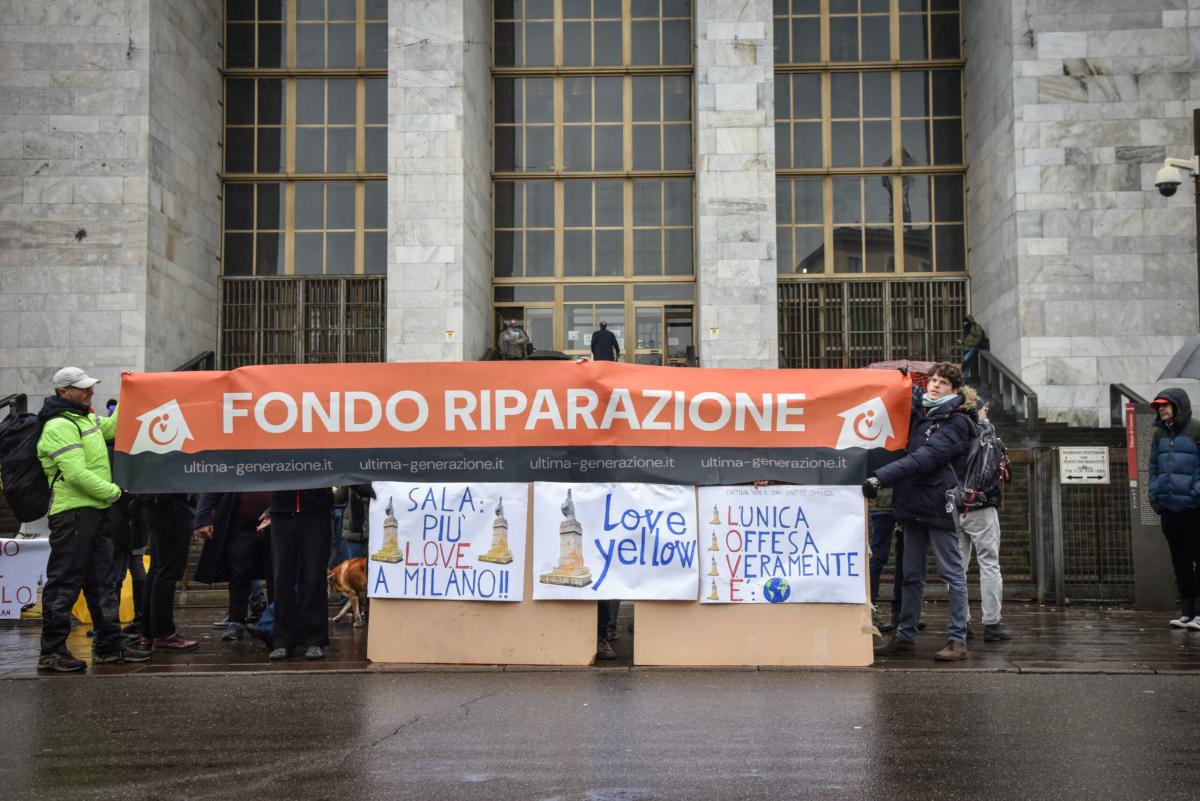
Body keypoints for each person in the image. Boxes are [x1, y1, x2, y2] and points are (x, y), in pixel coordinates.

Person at [36, 367, 152, 671]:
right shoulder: (59, 425)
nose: (90, 391)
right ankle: (52, 652)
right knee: (65, 581)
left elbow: (115, 427)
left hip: (94, 511)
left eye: (90, 386)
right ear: (63, 392)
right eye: (83, 387)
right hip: (73, 514)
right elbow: (74, 474)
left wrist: (130, 391)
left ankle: (109, 647)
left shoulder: (84, 418)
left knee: (102, 581)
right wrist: (114, 493)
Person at [863, 362, 972, 661]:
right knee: (911, 574)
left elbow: (925, 458)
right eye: (933, 380)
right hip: (912, 504)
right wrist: (896, 380)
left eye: (943, 383)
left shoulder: (958, 422)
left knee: (951, 574)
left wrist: (880, 477)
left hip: (938, 504)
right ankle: (905, 637)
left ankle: (957, 639)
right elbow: (898, 403)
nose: (935, 385)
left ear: (954, 390)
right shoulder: (922, 416)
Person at [956, 402, 1013, 642]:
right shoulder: (989, 436)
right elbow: (1006, 471)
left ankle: (961, 624)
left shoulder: (950, 432)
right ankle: (992, 625)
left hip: (955, 506)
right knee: (989, 564)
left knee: (956, 569)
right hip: (982, 506)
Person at [1147, 389, 1200, 630]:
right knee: (1180, 562)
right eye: (1159, 406)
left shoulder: (1196, 430)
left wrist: (1195, 493)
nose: (1162, 409)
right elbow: (1153, 467)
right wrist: (1154, 494)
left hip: (1194, 508)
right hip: (1169, 508)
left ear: (1179, 406)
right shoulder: (1159, 434)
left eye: (1166, 405)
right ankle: (1187, 611)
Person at [265, 488, 334, 660]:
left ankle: (315, 640)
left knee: (314, 577)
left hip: (316, 512)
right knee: (282, 579)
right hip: (282, 511)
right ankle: (282, 642)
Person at [194, 492, 273, 641]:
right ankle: (236, 621)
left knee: (277, 576)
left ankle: (275, 622)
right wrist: (203, 519)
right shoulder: (230, 467)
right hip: (240, 527)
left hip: (275, 524)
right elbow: (214, 488)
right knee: (239, 576)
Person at [137, 493, 199, 650]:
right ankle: (164, 634)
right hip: (174, 508)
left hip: (158, 509)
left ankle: (149, 632)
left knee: (156, 570)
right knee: (167, 572)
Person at [959, 315, 986, 382]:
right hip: (966, 348)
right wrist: (961, 342)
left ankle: (961, 371)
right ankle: (964, 379)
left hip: (973, 347)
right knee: (968, 364)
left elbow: (979, 336)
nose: (964, 323)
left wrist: (974, 344)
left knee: (965, 359)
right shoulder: (966, 329)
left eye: (965, 322)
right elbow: (966, 340)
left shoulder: (976, 327)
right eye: (963, 322)